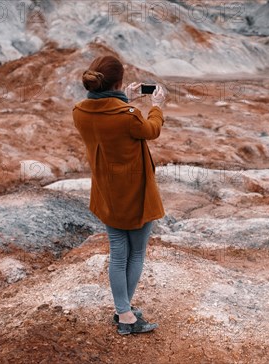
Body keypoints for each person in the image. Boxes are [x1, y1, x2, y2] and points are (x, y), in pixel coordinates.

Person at [72, 55, 166, 335]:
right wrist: (157, 106)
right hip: (136, 194)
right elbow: (152, 130)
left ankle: (123, 309)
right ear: (118, 82)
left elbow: (104, 114)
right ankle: (125, 316)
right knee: (136, 252)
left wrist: (123, 98)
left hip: (107, 194)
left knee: (117, 252)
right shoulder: (128, 116)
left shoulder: (80, 111)